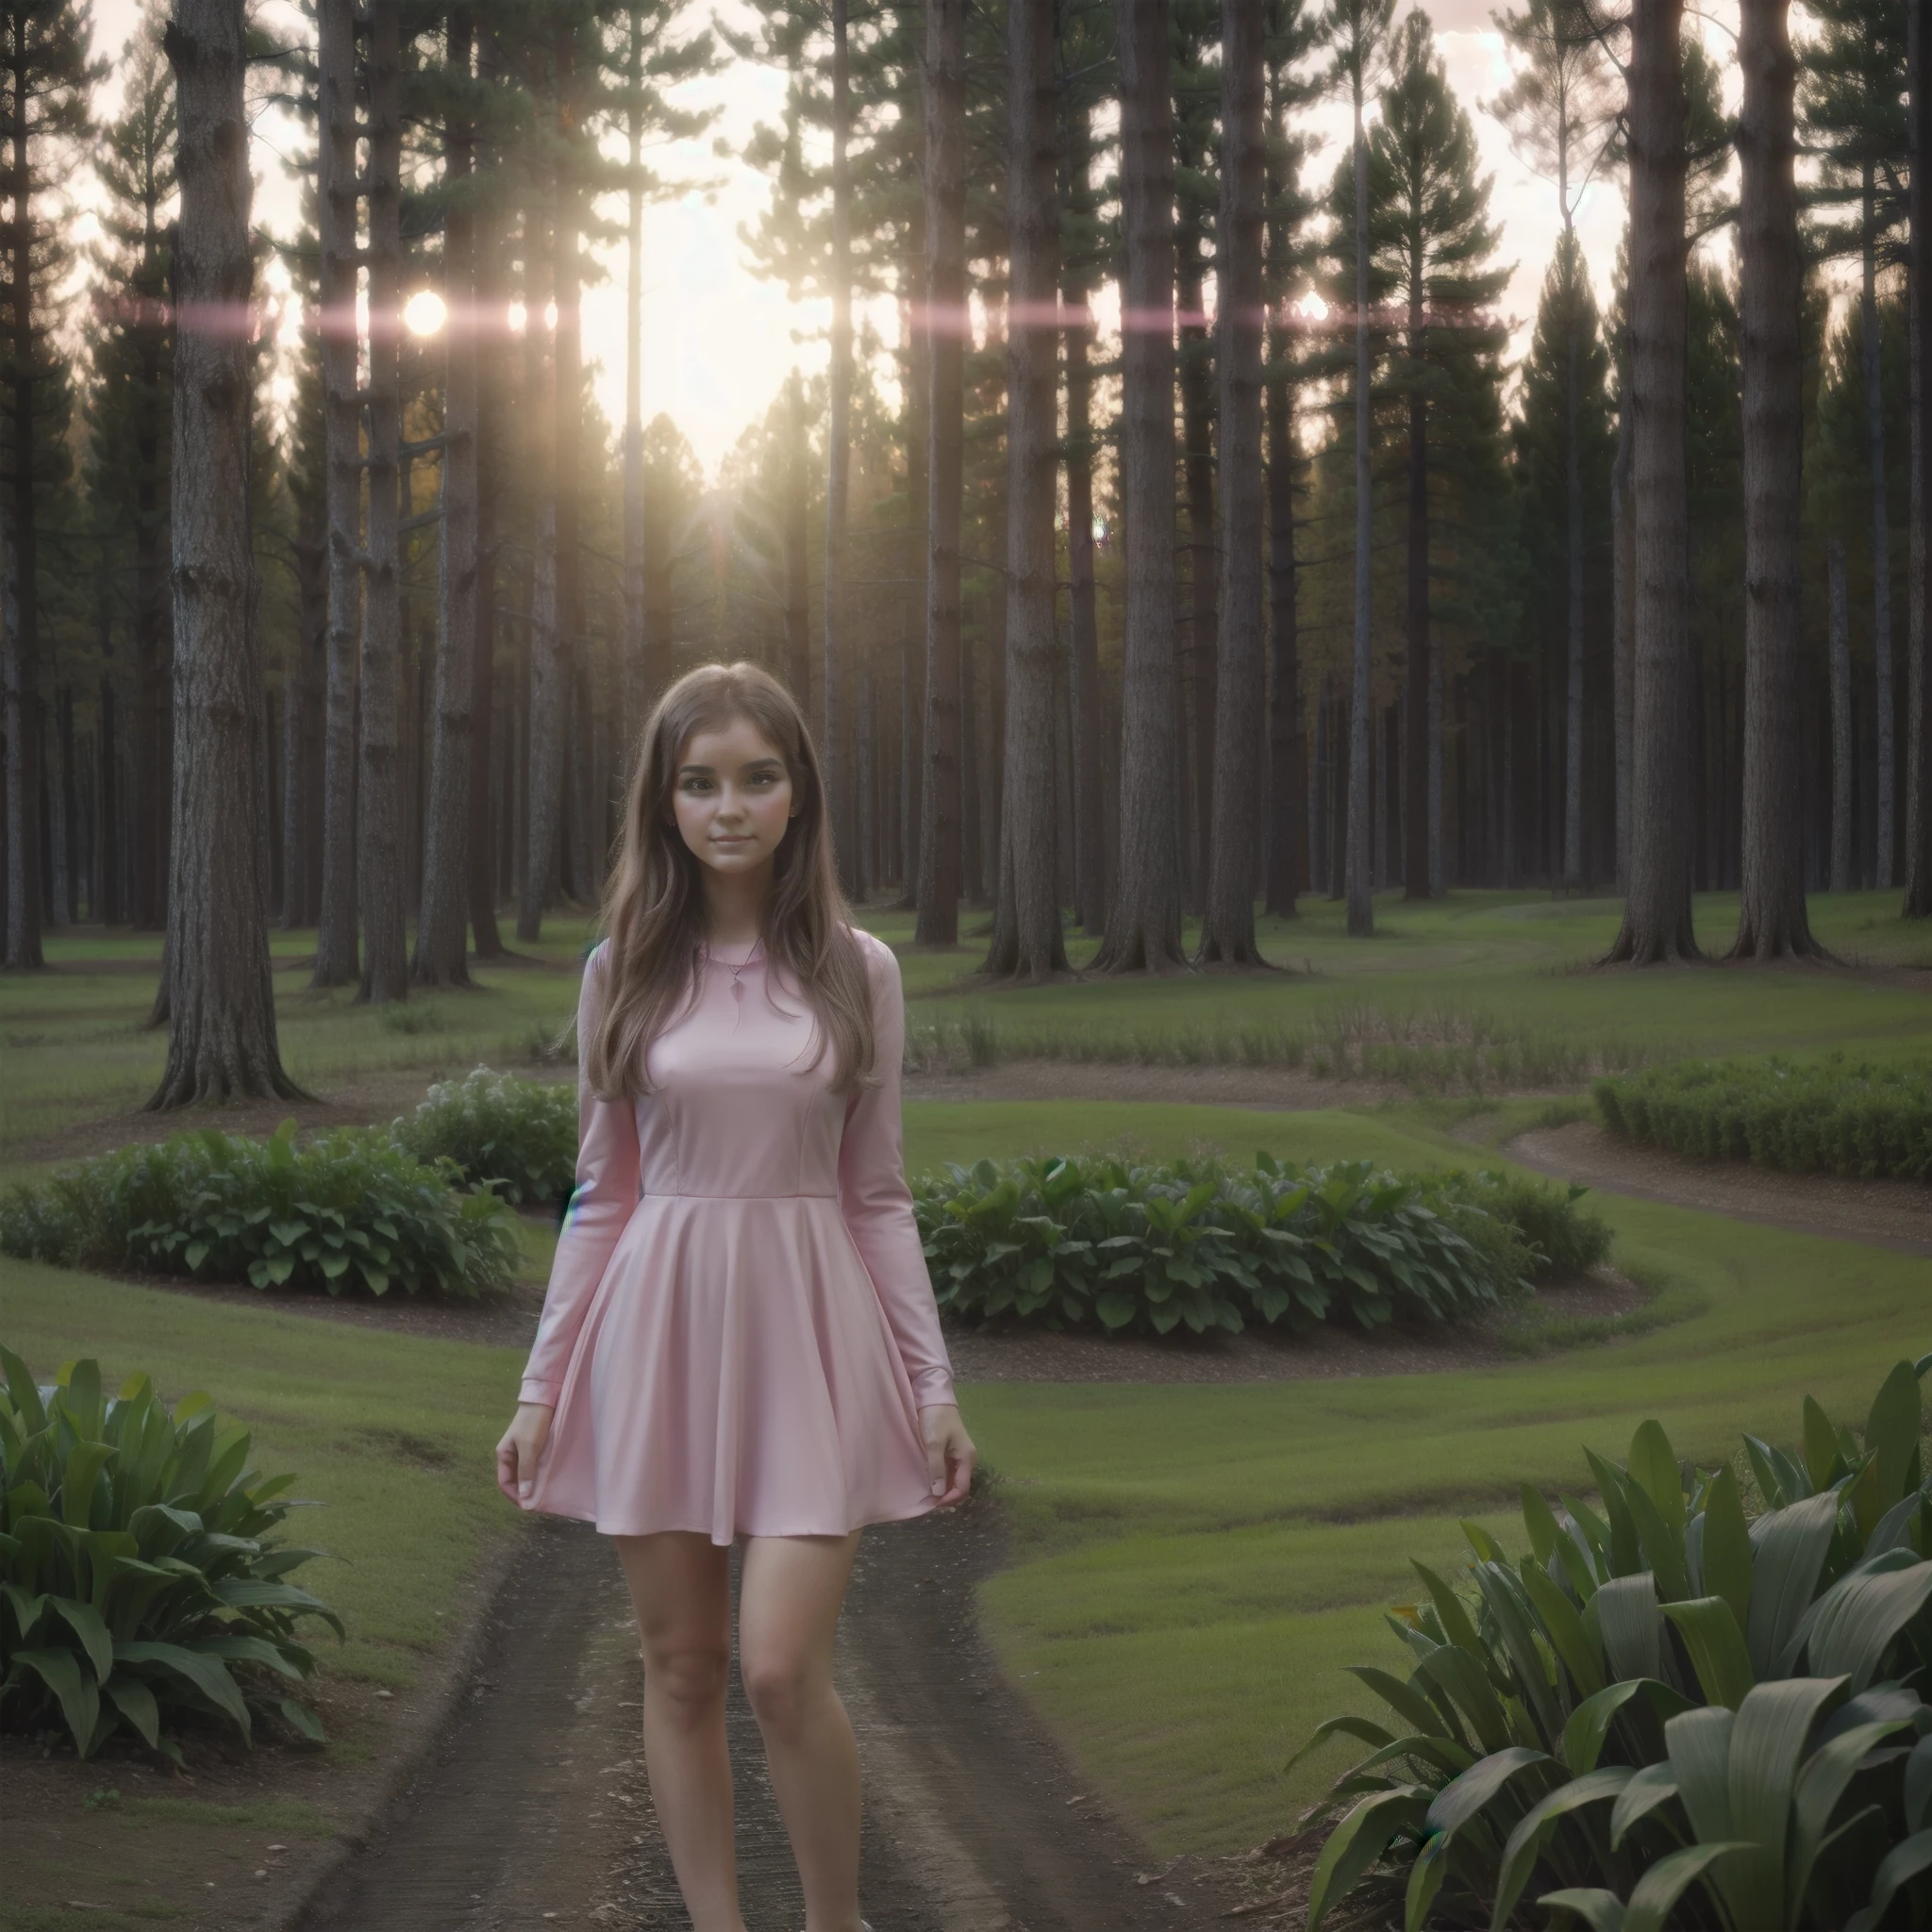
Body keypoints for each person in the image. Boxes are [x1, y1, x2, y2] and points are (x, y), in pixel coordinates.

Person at [495, 661, 975, 1932]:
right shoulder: (623, 971)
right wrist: (541, 1388)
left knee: (774, 1665)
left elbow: (877, 1195)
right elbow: (600, 1196)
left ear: (798, 795)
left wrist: (934, 1386)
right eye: (699, 782)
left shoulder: (857, 970)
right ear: (663, 803)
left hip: (813, 1340)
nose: (728, 807)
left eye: (756, 779)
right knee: (683, 1666)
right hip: (657, 1334)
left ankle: (836, 1921)